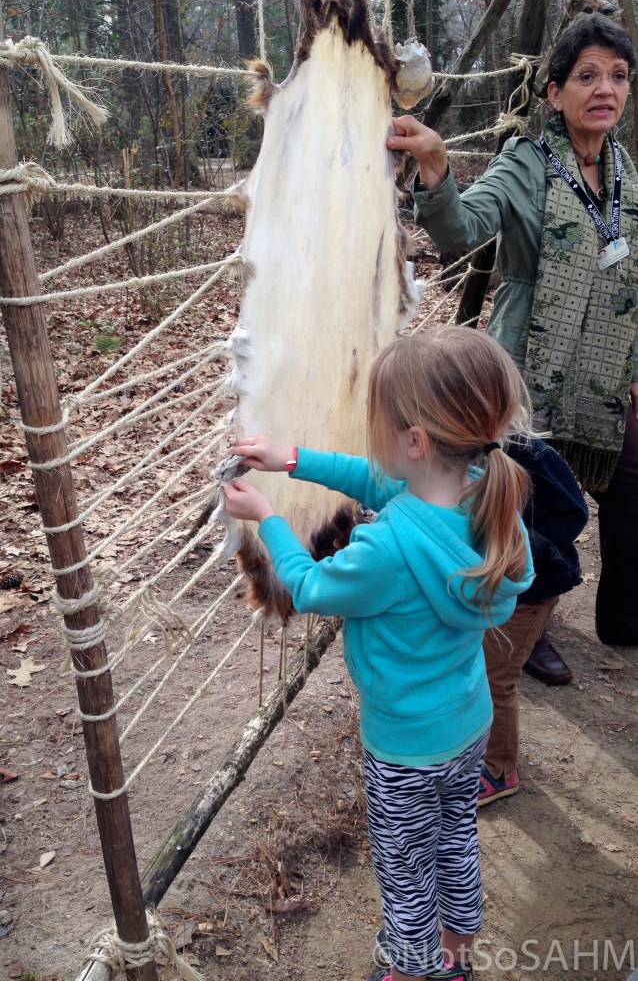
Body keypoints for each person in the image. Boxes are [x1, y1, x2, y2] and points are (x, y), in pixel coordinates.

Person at [223, 326, 535, 981]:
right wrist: (292, 458)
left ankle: (414, 967)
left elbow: (307, 587)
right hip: (467, 725)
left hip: (404, 751)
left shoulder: (386, 548)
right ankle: (457, 951)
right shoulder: (484, 492)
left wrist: (268, 518)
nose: (374, 440)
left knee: (403, 868)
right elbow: (373, 478)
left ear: (415, 442)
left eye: (381, 425)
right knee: (454, 841)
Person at [388, 10, 638, 655]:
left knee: (626, 474)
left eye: (617, 76)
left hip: (607, 371)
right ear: (555, 93)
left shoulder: (625, 171)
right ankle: (524, 619)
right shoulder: (527, 162)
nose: (604, 90)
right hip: (527, 362)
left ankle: (623, 610)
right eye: (587, 76)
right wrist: (438, 167)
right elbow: (462, 232)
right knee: (525, 493)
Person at [478, 437, 589, 805]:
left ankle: (499, 770)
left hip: (529, 590)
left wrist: (521, 546)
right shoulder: (460, 446)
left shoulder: (531, 453)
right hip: (490, 585)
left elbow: (574, 512)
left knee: (499, 676)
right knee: (481, 667)